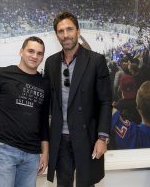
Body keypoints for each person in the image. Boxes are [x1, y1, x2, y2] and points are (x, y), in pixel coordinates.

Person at [44, 11, 112, 187]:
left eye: (69, 29)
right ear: (57, 35)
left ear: (78, 31)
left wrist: (102, 138)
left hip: (87, 138)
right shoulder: (51, 63)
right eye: (61, 31)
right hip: (60, 139)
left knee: (86, 183)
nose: (65, 35)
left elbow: (105, 101)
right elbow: (47, 104)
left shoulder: (96, 60)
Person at [0, 36, 50, 187]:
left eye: (39, 53)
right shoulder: (2, 74)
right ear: (21, 52)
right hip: (3, 150)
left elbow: (43, 120)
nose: (35, 56)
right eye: (31, 51)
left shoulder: (44, 83)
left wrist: (45, 152)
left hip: (31, 155)